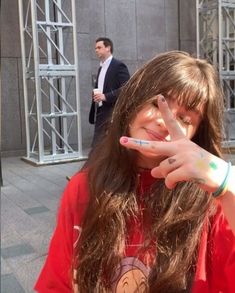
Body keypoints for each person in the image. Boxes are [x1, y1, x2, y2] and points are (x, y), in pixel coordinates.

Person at [35, 51, 235, 293]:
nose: (163, 120)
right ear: (133, 100)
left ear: (197, 135)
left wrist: (226, 184)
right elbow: (57, 284)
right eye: (156, 103)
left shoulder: (211, 202)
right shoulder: (83, 187)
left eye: (183, 118)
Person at [89, 37, 130, 146]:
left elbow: (127, 88)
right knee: (98, 145)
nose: (96, 50)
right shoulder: (100, 68)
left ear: (108, 48)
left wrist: (105, 96)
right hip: (101, 111)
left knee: (105, 146)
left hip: (113, 111)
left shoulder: (118, 66)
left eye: (99, 47)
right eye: (95, 48)